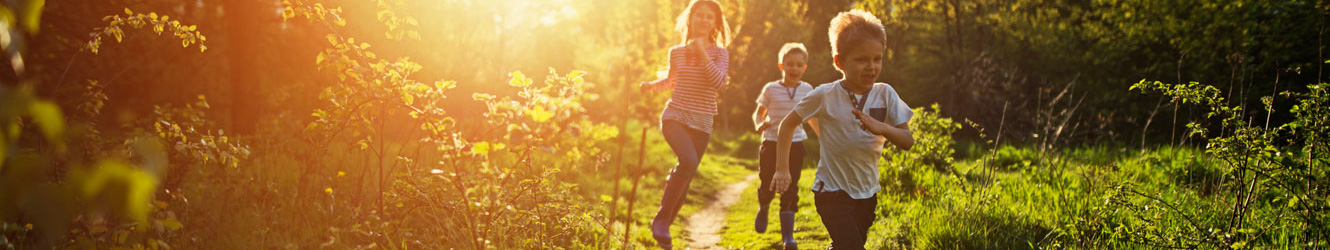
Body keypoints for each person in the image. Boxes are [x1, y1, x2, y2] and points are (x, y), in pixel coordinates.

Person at [768, 9, 915, 250]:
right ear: (839, 62)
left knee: (844, 245)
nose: (871, 66)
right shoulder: (825, 95)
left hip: (867, 192)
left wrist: (882, 127)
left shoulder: (885, 93)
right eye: (861, 59)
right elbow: (787, 124)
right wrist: (782, 170)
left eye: (877, 59)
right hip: (832, 192)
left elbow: (908, 141)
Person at [638, 0, 730, 248]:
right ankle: (662, 219)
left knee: (686, 175)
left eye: (709, 17)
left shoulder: (721, 53)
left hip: (703, 122)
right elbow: (672, 81)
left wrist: (702, 52)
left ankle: (664, 229)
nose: (703, 20)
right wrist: (651, 87)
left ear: (715, 23)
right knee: (688, 162)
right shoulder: (676, 52)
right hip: (675, 116)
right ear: (690, 19)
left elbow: (719, 84)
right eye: (699, 15)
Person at [751, 43, 817, 250]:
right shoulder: (771, 88)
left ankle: (788, 237)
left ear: (804, 67)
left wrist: (825, 139)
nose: (794, 69)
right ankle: (764, 206)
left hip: (796, 144)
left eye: (799, 65)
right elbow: (758, 113)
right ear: (781, 65)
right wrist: (759, 125)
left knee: (790, 186)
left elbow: (813, 117)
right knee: (768, 183)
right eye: (790, 64)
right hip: (771, 142)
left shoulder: (808, 90)